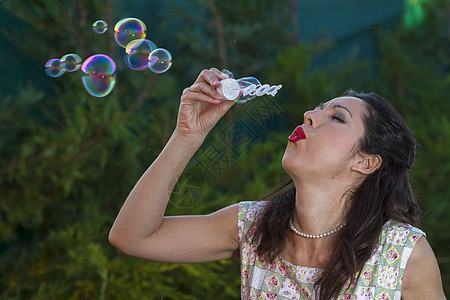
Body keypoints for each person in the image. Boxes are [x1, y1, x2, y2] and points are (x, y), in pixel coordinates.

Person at [109, 68, 446, 299]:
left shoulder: (402, 254)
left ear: (365, 162)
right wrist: (187, 135)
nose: (309, 116)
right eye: (316, 109)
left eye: (337, 117)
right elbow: (132, 237)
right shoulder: (253, 227)